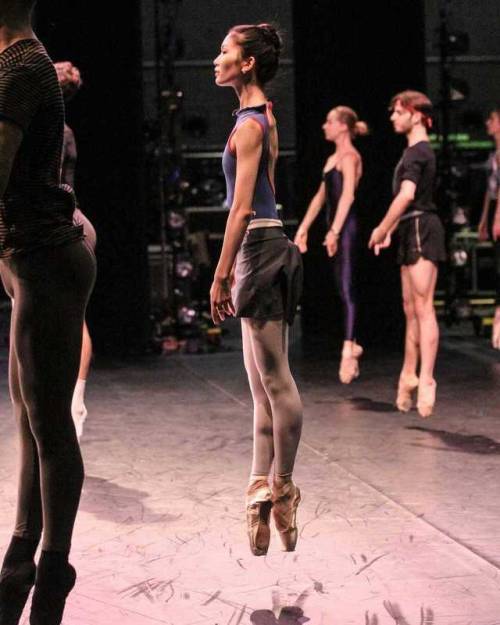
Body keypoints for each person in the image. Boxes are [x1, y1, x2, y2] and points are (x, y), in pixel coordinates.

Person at [0, 2, 96, 624]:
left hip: (44, 263)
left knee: (50, 427)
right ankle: (18, 558)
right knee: (31, 420)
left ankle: (52, 571)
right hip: (25, 263)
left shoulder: (21, 68)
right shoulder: (12, 62)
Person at [211, 23, 303, 555]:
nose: (216, 58)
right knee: (260, 387)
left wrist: (221, 274)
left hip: (260, 248)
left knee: (276, 381)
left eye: (225, 51)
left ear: (246, 64)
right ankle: (259, 488)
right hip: (259, 248)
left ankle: (283, 486)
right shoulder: (257, 116)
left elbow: (243, 209)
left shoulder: (250, 124)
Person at [368, 90, 445, 418]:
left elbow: (407, 195)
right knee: (410, 308)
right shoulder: (414, 152)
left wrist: (382, 227)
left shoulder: (418, 153)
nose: (393, 117)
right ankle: (408, 373)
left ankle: (426, 378)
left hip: (421, 227)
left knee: (423, 308)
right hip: (410, 228)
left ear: (415, 114)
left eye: (398, 112)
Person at [294, 106, 368, 383]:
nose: (325, 126)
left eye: (329, 122)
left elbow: (347, 196)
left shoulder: (350, 157)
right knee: (340, 287)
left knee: (347, 286)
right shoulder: (332, 158)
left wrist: (335, 231)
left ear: (342, 127)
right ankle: (352, 343)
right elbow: (319, 198)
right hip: (335, 228)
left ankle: (349, 346)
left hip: (346, 228)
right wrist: (303, 228)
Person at [55, 60, 97, 438]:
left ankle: (69, 402)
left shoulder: (50, 131)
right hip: (79, 221)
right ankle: (74, 400)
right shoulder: (66, 130)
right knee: (74, 316)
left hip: (62, 225)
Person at [478, 105, 500, 348]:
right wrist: (484, 219)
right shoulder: (494, 155)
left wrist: (497, 218)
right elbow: (490, 191)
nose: (487, 123)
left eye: (492, 119)